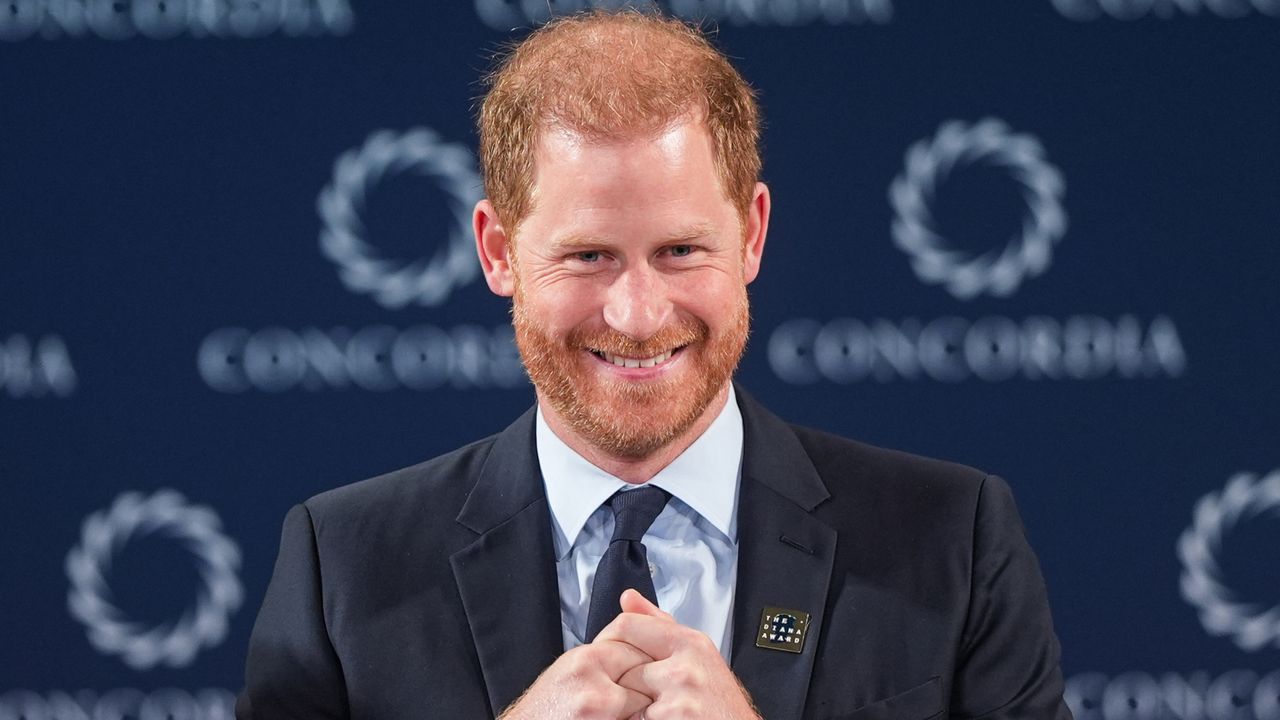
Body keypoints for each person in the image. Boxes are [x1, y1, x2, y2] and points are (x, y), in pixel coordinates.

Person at [237, 10, 1071, 720]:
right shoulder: (343, 566)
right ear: (497, 251)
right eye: (590, 256)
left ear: (751, 234)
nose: (637, 316)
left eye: (679, 250)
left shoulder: (952, 543)